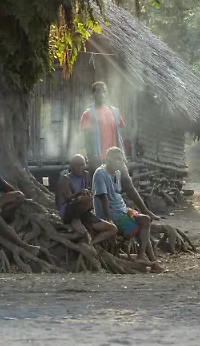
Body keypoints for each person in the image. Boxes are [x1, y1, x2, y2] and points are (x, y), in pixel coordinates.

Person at [79, 81, 160, 220]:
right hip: (98, 157)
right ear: (93, 94)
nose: (102, 94)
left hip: (114, 156)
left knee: (127, 183)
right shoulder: (88, 114)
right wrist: (91, 157)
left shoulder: (114, 112)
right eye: (98, 91)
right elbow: (87, 138)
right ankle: (99, 218)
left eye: (104, 91)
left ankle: (145, 211)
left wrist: (123, 156)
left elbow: (118, 134)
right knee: (98, 190)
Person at [93, 147, 161, 271]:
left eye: (120, 159)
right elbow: (103, 197)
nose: (118, 162)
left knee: (145, 220)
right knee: (138, 229)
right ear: (108, 159)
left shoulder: (118, 173)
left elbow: (127, 190)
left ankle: (142, 256)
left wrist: (144, 210)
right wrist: (108, 219)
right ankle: (152, 262)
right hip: (112, 214)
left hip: (122, 211)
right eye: (115, 159)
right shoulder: (100, 173)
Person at [55, 154, 117, 246]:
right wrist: (79, 193)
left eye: (83, 165)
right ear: (71, 167)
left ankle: (90, 244)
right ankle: (75, 220)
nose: (81, 168)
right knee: (87, 199)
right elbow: (67, 198)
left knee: (113, 229)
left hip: (84, 213)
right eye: (78, 165)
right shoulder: (65, 179)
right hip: (68, 213)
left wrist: (87, 193)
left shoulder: (86, 175)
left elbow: (91, 191)